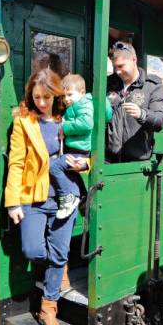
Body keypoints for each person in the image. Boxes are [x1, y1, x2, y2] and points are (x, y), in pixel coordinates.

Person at [4, 69, 77, 325]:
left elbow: (84, 148)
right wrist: (13, 203)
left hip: (64, 197)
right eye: (37, 97)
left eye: (47, 97)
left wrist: (85, 164)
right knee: (33, 250)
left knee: (59, 253)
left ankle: (49, 308)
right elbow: (16, 162)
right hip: (33, 198)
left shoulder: (67, 119)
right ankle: (58, 268)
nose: (42, 102)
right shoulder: (24, 122)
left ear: (56, 95)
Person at [49, 74, 112, 219]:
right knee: (71, 173)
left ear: (82, 92)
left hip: (80, 151)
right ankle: (84, 199)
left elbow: (86, 124)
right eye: (64, 96)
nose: (67, 99)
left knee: (55, 168)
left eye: (70, 94)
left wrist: (64, 127)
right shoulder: (75, 105)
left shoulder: (84, 104)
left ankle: (68, 197)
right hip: (76, 149)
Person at [105, 41, 163, 162]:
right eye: (115, 67)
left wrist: (142, 114)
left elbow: (161, 119)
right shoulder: (107, 83)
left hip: (137, 163)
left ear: (134, 59)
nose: (117, 71)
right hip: (107, 161)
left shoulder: (152, 85)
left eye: (121, 66)